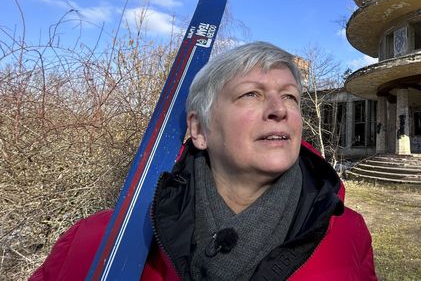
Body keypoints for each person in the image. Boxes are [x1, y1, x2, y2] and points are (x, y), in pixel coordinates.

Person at [32, 41, 376, 280]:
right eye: (251, 94)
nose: (279, 109)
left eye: (290, 96)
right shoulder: (95, 243)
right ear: (199, 128)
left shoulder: (347, 235)